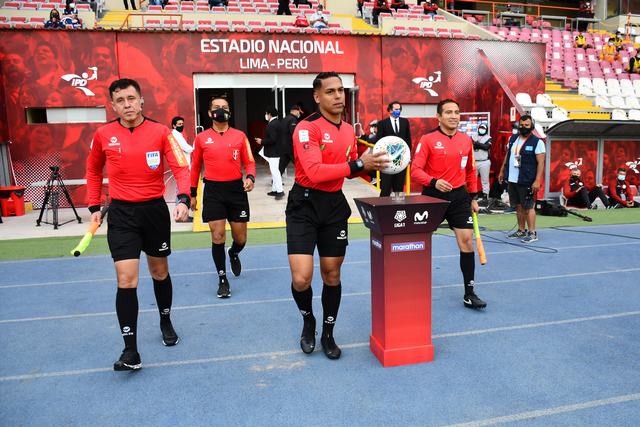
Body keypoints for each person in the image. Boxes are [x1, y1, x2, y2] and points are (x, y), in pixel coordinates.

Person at [85, 78, 191, 371]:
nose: (127, 105)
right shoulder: (103, 134)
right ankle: (130, 350)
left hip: (154, 212)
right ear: (113, 105)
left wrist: (183, 198)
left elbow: (181, 167)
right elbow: (93, 171)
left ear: (141, 100)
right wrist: (93, 206)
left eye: (131, 99)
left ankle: (165, 320)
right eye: (120, 100)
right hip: (121, 214)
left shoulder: (161, 132)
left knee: (159, 272)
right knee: (126, 279)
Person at [287, 72, 390, 360]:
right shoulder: (306, 128)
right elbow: (314, 172)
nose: (337, 96)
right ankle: (309, 320)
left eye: (341, 90)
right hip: (303, 206)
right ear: (317, 97)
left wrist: (376, 165)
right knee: (301, 278)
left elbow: (351, 170)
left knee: (331, 274)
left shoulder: (347, 130)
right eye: (330, 91)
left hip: (333, 205)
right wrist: (358, 163)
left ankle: (328, 333)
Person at [411, 99, 487, 310]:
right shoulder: (428, 139)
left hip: (459, 198)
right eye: (448, 112)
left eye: (456, 112)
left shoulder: (466, 140)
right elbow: (415, 170)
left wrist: (473, 197)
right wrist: (433, 182)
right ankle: (412, 288)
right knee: (420, 243)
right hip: (432, 197)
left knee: (467, 241)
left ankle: (469, 293)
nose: (454, 116)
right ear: (439, 116)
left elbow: (471, 171)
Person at [190, 96, 256, 298]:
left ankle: (233, 252)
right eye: (217, 107)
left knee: (241, 238)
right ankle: (222, 279)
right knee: (217, 235)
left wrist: (250, 177)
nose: (221, 110)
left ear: (230, 112)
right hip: (213, 191)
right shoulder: (201, 138)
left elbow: (250, 162)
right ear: (210, 113)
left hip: (236, 190)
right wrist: (192, 194)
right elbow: (195, 167)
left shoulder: (239, 136)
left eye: (225, 107)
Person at [497, 115, 546, 243]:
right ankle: (521, 230)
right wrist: (502, 170)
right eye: (522, 125)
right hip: (512, 179)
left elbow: (541, 163)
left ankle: (532, 233)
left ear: (532, 126)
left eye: (526, 125)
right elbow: (508, 155)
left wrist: (537, 180)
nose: (524, 127)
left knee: (528, 207)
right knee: (518, 206)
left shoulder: (538, 142)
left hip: (527, 179)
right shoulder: (513, 138)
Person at [375, 101, 412, 197]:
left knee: (399, 188)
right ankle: (383, 205)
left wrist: (408, 157)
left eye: (399, 109)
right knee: (385, 188)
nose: (398, 111)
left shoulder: (405, 122)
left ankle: (398, 205)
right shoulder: (382, 123)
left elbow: (408, 139)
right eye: (396, 109)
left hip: (401, 160)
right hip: (387, 161)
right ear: (390, 110)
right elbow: (379, 141)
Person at [256, 106, 285, 200]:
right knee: (274, 171)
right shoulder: (277, 123)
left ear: (270, 114)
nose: (265, 115)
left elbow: (272, 139)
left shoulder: (272, 124)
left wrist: (262, 141)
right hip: (276, 151)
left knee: (275, 172)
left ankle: (280, 191)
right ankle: (275, 189)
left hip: (273, 152)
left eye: (266, 113)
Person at [279, 104, 302, 176]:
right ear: (295, 111)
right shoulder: (293, 119)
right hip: (290, 147)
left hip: (283, 146)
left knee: (281, 166)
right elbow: (294, 133)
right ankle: (303, 178)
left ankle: (275, 180)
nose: (299, 113)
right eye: (299, 112)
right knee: (298, 164)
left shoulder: (285, 119)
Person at [473, 123, 491, 200]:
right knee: (473, 179)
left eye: (483, 128)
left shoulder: (488, 138)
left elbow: (486, 147)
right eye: (481, 128)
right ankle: (474, 194)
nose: (482, 129)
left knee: (485, 180)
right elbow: (472, 145)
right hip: (474, 161)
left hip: (484, 162)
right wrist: (480, 145)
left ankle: (485, 195)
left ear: (486, 129)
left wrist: (477, 143)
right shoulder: (474, 136)